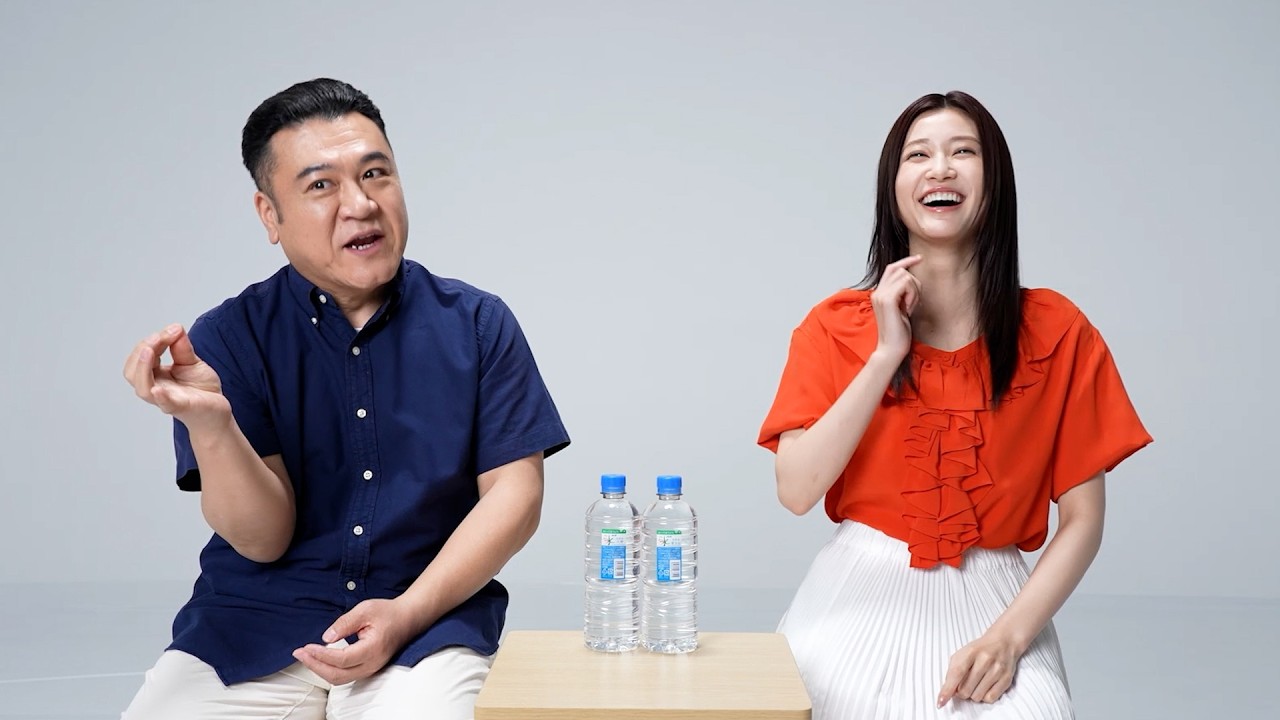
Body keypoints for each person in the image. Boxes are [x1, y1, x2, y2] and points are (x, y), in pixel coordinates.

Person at [120, 78, 570, 719]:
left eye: (375, 173)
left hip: (424, 625)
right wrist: (212, 426)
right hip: (253, 625)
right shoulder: (226, 338)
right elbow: (262, 540)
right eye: (321, 185)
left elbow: (515, 498)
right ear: (269, 215)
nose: (360, 204)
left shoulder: (477, 323)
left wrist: (407, 613)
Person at [757, 91, 1151, 719]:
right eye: (918, 155)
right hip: (855, 595)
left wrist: (1008, 639)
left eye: (963, 152)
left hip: (999, 605)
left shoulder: (1058, 330)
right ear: (893, 187)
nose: (940, 168)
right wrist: (885, 354)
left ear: (995, 182)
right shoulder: (834, 326)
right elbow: (797, 490)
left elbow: (1083, 520)